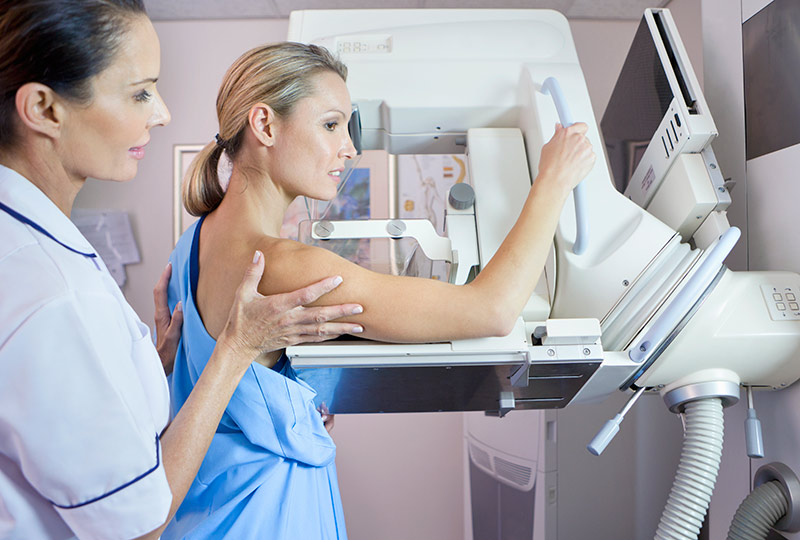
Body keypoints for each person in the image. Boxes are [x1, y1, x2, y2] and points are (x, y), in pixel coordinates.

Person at [163, 42, 595, 539]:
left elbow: (220, 397)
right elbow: (492, 309)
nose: (349, 148)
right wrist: (553, 182)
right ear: (264, 125)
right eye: (331, 125)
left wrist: (289, 413)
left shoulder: (192, 243)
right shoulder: (283, 268)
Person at [0, 3, 364, 539]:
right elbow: (137, 527)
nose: (162, 113)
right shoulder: (57, 293)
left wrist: (145, 370)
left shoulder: (35, 250)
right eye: (140, 93)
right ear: (44, 109)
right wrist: (236, 349)